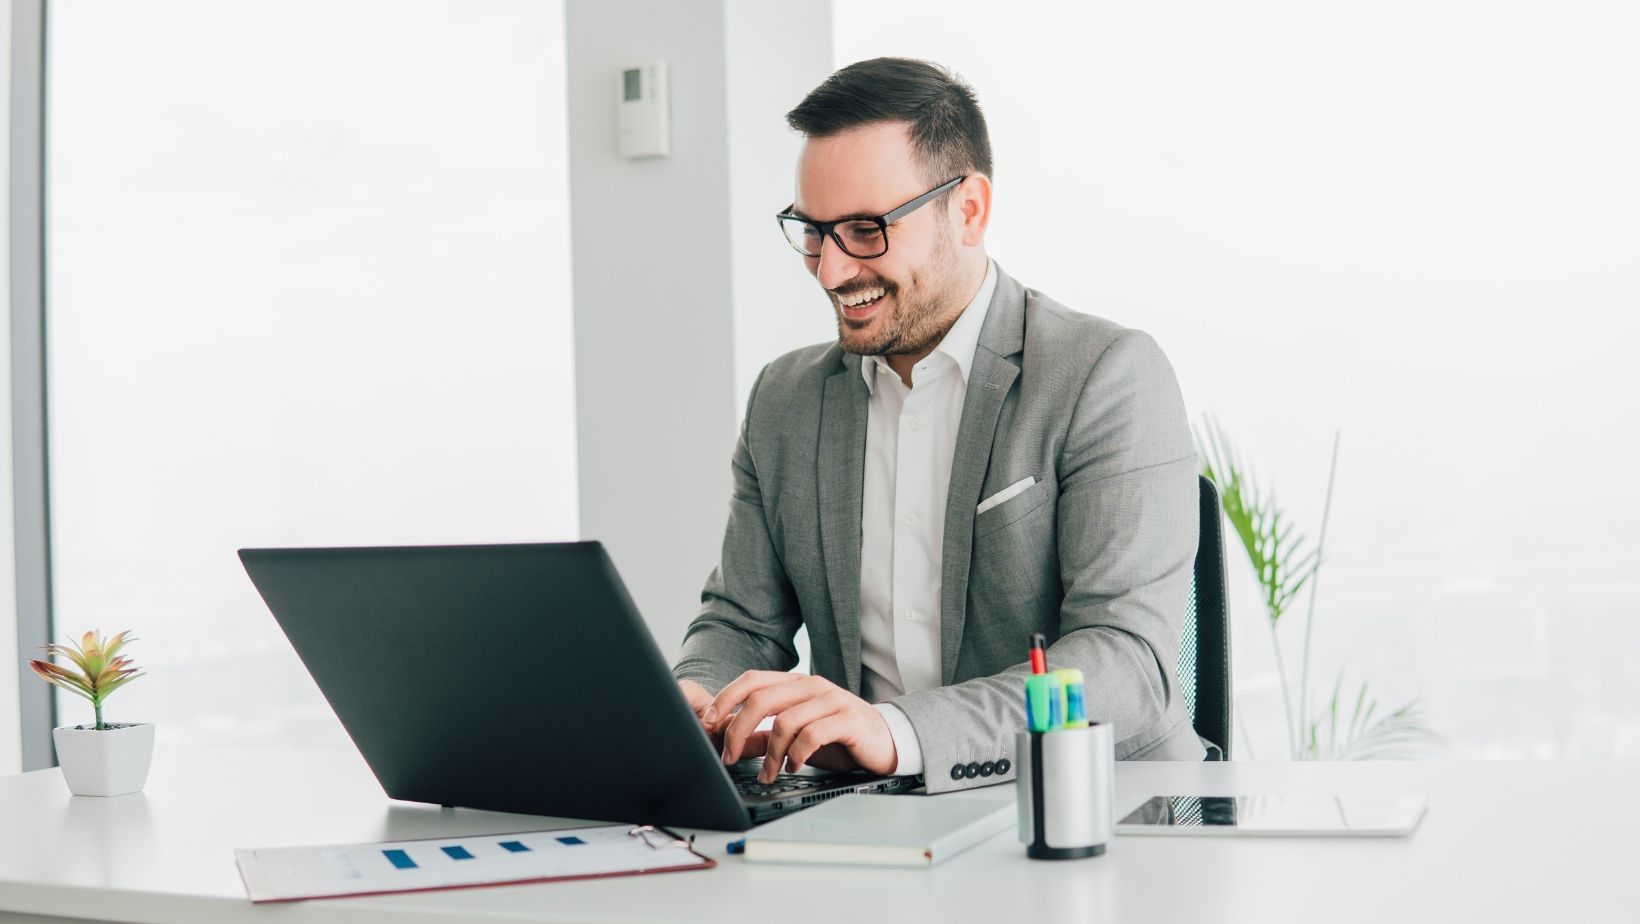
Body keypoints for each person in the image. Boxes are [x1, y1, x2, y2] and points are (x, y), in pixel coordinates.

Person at [672, 57, 1206, 793]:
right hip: (871, 821)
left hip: (1089, 814)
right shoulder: (785, 401)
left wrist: (894, 732)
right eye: (813, 231)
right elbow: (740, 622)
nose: (830, 272)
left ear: (970, 210)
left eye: (865, 230)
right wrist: (696, 694)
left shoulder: (1105, 375)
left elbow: (1125, 664)